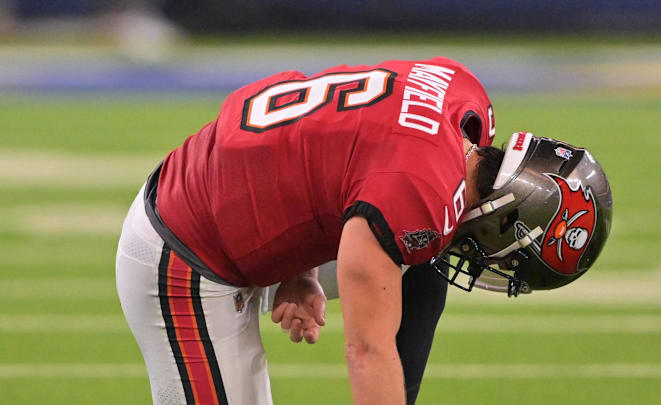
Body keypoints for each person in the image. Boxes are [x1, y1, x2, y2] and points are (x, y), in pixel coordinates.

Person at [115, 57, 612, 405]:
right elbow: (366, 349)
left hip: (232, 185)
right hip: (187, 250)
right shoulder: (419, 196)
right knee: (421, 245)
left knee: (424, 258)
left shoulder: (465, 102)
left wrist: (300, 266)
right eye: (511, 255)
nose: (495, 263)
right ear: (509, 218)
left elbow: (337, 149)